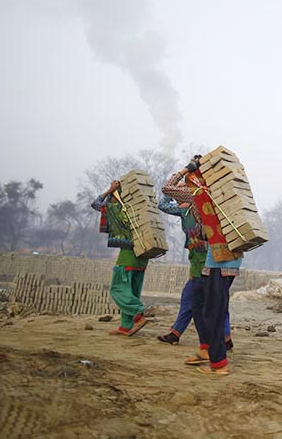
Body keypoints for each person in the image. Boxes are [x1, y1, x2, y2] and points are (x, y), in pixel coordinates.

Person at [162, 157, 242, 376]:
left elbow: (167, 188)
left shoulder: (198, 192)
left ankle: (219, 364)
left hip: (221, 257)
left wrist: (184, 169)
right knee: (200, 301)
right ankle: (207, 350)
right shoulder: (221, 191)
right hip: (221, 255)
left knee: (213, 310)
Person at [155, 186, 233, 351]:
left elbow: (165, 194)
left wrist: (183, 173)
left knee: (201, 300)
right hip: (200, 259)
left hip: (207, 260)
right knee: (213, 300)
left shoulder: (199, 203)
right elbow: (163, 203)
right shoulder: (186, 209)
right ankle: (223, 339)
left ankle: (211, 341)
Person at [91, 179, 149, 336]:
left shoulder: (118, 210)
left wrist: (109, 190)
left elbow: (96, 203)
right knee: (132, 291)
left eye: (114, 196)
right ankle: (126, 327)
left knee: (118, 289)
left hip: (127, 256)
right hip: (142, 256)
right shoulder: (140, 210)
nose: (112, 198)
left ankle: (139, 315)